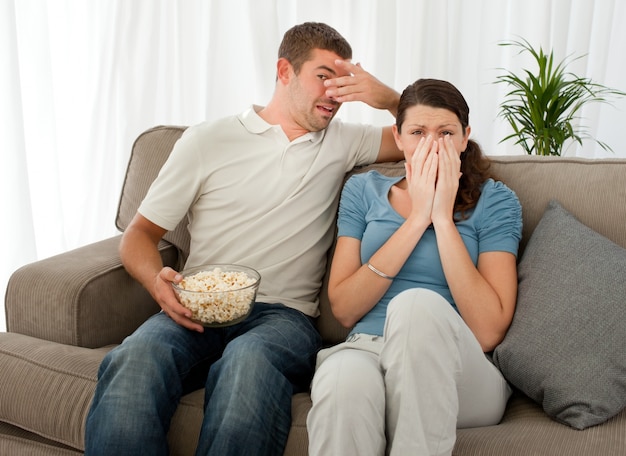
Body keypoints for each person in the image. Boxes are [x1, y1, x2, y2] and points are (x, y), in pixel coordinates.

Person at [83, 22, 402, 456]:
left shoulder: (346, 141)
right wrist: (156, 281)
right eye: (323, 76)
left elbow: (439, 131)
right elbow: (139, 234)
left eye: (343, 82)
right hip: (199, 306)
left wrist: (387, 98)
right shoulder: (207, 139)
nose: (333, 93)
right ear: (284, 71)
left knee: (247, 363)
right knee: (134, 359)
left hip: (283, 318)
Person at [307, 78, 523, 456]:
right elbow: (343, 308)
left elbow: (488, 331)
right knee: (343, 382)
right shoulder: (363, 191)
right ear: (399, 136)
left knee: (415, 305)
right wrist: (416, 217)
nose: (431, 144)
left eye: (445, 132)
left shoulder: (496, 201)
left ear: (464, 137)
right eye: (418, 132)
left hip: (458, 369)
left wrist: (441, 217)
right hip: (366, 350)